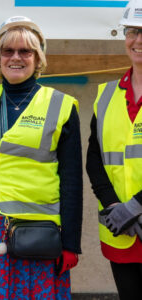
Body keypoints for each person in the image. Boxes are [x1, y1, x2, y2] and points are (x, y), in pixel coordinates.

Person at [0, 16, 83, 299]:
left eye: (26, 51)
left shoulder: (61, 106)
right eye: (8, 51)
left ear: (39, 58)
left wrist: (70, 241)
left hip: (37, 232)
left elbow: (71, 182)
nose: (16, 58)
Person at [86, 0, 142, 298]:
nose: (139, 40)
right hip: (120, 228)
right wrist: (115, 207)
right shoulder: (106, 95)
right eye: (133, 31)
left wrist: (136, 205)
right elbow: (94, 159)